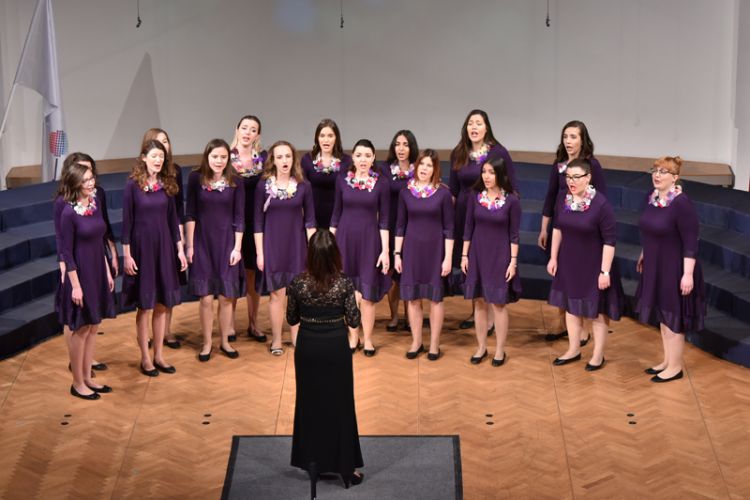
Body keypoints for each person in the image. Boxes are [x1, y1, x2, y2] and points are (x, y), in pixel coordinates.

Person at [287, 229, 364, 488]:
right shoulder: (344, 283)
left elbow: (292, 318)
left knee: (309, 406)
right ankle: (345, 468)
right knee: (340, 406)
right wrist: (357, 301)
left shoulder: (298, 283)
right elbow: (353, 320)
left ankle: (313, 461)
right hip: (334, 347)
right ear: (334, 254)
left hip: (308, 348)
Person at [546, 159, 624, 370]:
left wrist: (605, 271)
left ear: (588, 178)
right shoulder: (563, 198)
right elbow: (558, 228)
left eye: (576, 177)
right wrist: (553, 257)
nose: (571, 181)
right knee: (571, 307)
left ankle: (597, 355)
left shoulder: (601, 204)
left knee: (596, 311)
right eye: (568, 177)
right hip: (569, 263)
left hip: (594, 266)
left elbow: (610, 241)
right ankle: (574, 349)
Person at [635, 156, 706, 383]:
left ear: (675, 178)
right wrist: (644, 254)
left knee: (674, 315)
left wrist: (687, 274)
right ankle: (667, 360)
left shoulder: (681, 203)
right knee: (664, 316)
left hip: (675, 268)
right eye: (655, 170)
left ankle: (675, 367)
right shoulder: (652, 198)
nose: (657, 175)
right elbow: (650, 230)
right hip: (656, 264)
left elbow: (690, 241)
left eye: (663, 172)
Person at [121, 140, 187, 377]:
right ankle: (145, 358)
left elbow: (172, 221)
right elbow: (126, 222)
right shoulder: (132, 186)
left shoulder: (166, 184)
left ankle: (159, 355)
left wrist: (179, 250)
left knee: (162, 304)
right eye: (154, 156)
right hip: (142, 250)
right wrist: (126, 256)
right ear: (143, 158)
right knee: (145, 306)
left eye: (161, 156)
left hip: (165, 249)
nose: (158, 160)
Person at [539, 120, 607, 344]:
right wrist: (544, 228)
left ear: (583, 139)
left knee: (581, 280)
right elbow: (550, 196)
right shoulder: (559, 164)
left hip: (584, 229)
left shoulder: (591, 166)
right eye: (565, 136)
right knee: (563, 278)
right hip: (562, 227)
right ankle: (564, 324)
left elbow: (601, 198)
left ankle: (583, 329)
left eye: (573, 137)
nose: (568, 141)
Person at [449, 109, 517, 328]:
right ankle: (478, 309)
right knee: (472, 262)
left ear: (487, 127)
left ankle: (490, 315)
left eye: (478, 123)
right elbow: (453, 190)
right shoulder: (459, 152)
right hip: (463, 214)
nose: (474, 127)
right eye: (470, 123)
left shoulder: (498, 152)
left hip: (490, 214)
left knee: (488, 261)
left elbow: (511, 187)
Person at [56, 163, 116, 399]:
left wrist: (107, 272)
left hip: (97, 272)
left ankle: (89, 377)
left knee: (93, 326)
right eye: (86, 181)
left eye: (92, 179)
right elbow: (67, 253)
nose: (91, 183)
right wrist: (76, 286)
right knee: (81, 329)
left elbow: (99, 241)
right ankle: (77, 382)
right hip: (80, 276)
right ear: (75, 185)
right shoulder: (68, 213)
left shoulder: (95, 204)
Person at [185, 139, 245, 361]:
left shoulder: (235, 180)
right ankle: (207, 343)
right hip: (202, 243)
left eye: (223, 157)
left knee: (226, 297)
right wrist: (189, 245)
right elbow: (190, 212)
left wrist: (237, 248)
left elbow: (239, 217)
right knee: (206, 298)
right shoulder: (195, 178)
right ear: (207, 157)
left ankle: (225, 342)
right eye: (215, 157)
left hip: (227, 243)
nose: (219, 161)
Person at [254, 141, 316, 355]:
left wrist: (313, 252)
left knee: (297, 295)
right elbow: (257, 223)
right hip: (272, 247)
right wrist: (260, 253)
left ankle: (297, 338)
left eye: (287, 156)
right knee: (276, 295)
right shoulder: (263, 186)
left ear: (293, 159)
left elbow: (310, 221)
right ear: (273, 160)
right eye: (279, 157)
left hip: (297, 247)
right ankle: (277, 340)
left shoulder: (303, 186)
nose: (284, 161)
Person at [330, 139, 391, 356]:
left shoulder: (381, 183)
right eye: (359, 155)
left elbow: (384, 220)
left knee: (367, 294)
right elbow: (336, 214)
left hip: (370, 241)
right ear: (353, 157)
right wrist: (329, 244)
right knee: (348, 293)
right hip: (344, 241)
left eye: (367, 155)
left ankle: (368, 339)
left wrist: (385, 251)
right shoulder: (342, 181)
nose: (363, 159)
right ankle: (353, 336)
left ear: (374, 158)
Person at [461, 154, 522, 366]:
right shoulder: (475, 196)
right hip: (477, 254)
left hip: (500, 256)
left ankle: (499, 350)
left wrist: (513, 261)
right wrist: (464, 255)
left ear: (500, 174)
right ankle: (481, 347)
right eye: (484, 172)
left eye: (491, 172)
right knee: (479, 303)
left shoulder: (512, 200)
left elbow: (514, 234)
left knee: (498, 304)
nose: (486, 176)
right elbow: (468, 227)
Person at [393, 149, 454, 360]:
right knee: (413, 299)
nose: (424, 169)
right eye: (421, 164)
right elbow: (400, 225)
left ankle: (434, 344)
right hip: (411, 251)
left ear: (435, 169)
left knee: (435, 300)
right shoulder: (405, 192)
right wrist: (397, 254)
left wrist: (448, 258)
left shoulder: (443, 193)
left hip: (435, 251)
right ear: (416, 166)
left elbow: (449, 229)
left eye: (429, 165)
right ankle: (416, 341)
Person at [141, 128, 185, 349]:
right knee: (151, 288)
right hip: (150, 238)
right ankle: (149, 333)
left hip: (171, 233)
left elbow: (178, 208)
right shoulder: (140, 178)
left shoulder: (175, 171)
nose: (163, 147)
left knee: (169, 284)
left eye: (166, 142)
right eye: (157, 143)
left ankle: (166, 331)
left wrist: (181, 239)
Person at [229, 115, 268, 343]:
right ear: (237, 129)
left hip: (256, 222)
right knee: (234, 272)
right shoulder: (226, 157)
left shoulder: (262, 159)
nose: (247, 132)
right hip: (233, 222)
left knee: (254, 273)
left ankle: (254, 323)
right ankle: (230, 323)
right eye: (244, 128)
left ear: (257, 136)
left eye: (252, 130)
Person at [381, 130, 419, 332]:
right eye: (397, 144)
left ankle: (410, 316)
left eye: (405, 144)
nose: (401, 148)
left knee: (408, 271)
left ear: (412, 147)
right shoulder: (385, 170)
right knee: (393, 273)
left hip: (412, 226)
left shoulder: (419, 169)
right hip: (391, 223)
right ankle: (395, 315)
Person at [301, 118, 352, 229]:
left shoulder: (347, 161)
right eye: (322, 135)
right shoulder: (307, 160)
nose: (326, 140)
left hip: (340, 217)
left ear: (336, 138)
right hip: (313, 217)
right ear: (317, 138)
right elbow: (302, 190)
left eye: (330, 136)